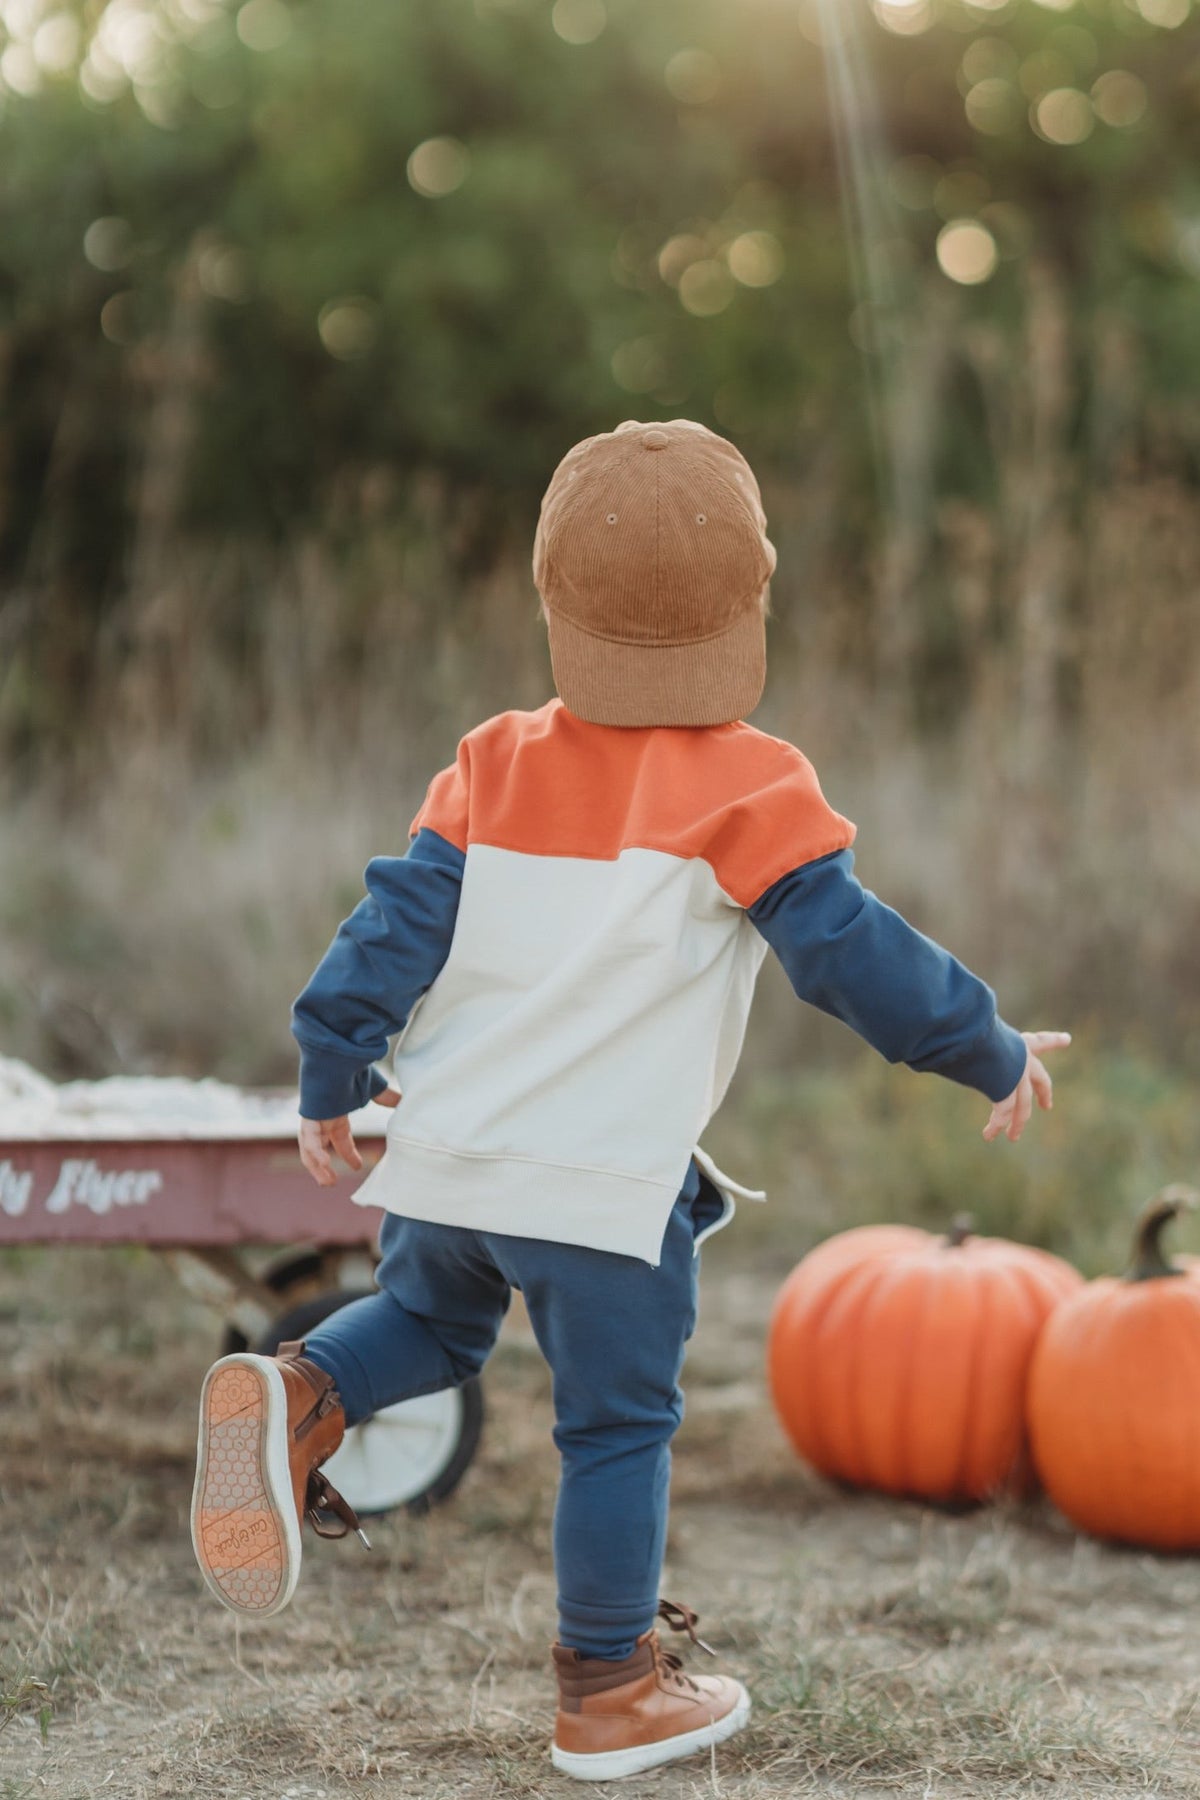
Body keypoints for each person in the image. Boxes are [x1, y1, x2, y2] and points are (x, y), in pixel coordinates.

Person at [190, 418, 1069, 1782]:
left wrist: (330, 1069)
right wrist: (987, 1045)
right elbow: (849, 955)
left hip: (452, 1154)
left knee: (427, 1320)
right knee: (617, 1427)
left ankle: (304, 1388)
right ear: (747, 603)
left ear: (557, 598)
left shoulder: (489, 763)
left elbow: (387, 932)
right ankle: (606, 1690)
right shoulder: (751, 783)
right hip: (603, 1192)